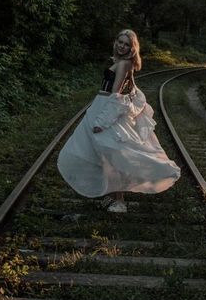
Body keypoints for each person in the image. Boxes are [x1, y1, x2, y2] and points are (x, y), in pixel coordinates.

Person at [57, 29, 181, 213]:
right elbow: (132, 90)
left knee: (114, 154)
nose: (122, 46)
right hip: (100, 106)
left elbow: (115, 95)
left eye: (126, 44)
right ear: (115, 42)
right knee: (99, 152)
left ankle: (120, 201)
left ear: (132, 48)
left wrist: (103, 121)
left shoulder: (124, 64)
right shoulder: (122, 63)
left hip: (106, 110)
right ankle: (110, 193)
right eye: (120, 42)